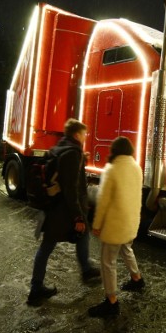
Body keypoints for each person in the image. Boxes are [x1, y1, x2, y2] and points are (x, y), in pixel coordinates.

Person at [27, 118, 100, 306]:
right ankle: (36, 288)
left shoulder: (61, 148)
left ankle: (85, 268)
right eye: (84, 133)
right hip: (61, 211)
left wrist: (82, 159)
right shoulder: (72, 154)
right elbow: (70, 188)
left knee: (82, 236)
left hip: (55, 208)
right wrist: (77, 216)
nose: (86, 136)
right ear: (77, 134)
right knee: (47, 247)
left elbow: (64, 172)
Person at [88, 136, 145, 317]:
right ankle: (136, 278)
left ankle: (111, 302)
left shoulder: (111, 170)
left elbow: (103, 201)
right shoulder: (137, 168)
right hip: (130, 221)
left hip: (115, 224)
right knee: (126, 249)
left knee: (108, 261)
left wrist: (96, 225)